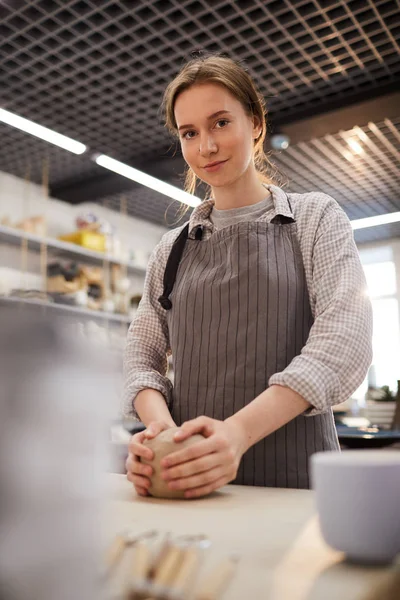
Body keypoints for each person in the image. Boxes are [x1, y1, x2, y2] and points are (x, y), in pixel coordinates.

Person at [123, 54, 372, 498]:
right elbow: (141, 356)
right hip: (191, 483)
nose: (207, 146)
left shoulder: (315, 219)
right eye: (190, 132)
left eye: (221, 122)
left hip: (297, 488)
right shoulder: (172, 249)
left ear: (255, 123)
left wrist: (237, 433)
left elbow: (345, 340)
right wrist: (160, 432)